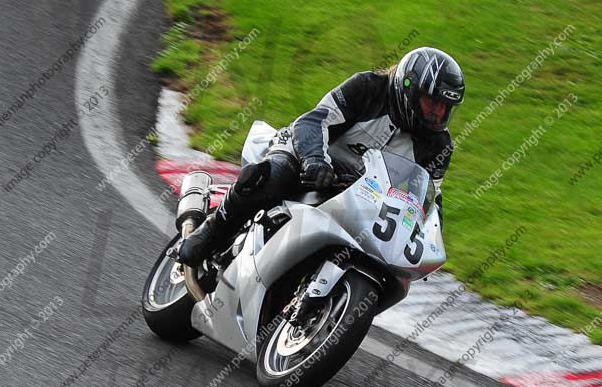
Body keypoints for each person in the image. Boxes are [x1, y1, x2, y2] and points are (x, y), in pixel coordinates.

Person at [177, 47, 465, 267]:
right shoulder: (368, 88)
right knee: (270, 178)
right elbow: (313, 122)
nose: (438, 114)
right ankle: (211, 231)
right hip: (308, 156)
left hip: (361, 195)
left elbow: (428, 196)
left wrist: (427, 236)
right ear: (408, 89)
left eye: (445, 107)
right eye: (432, 102)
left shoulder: (438, 145)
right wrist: (315, 159)